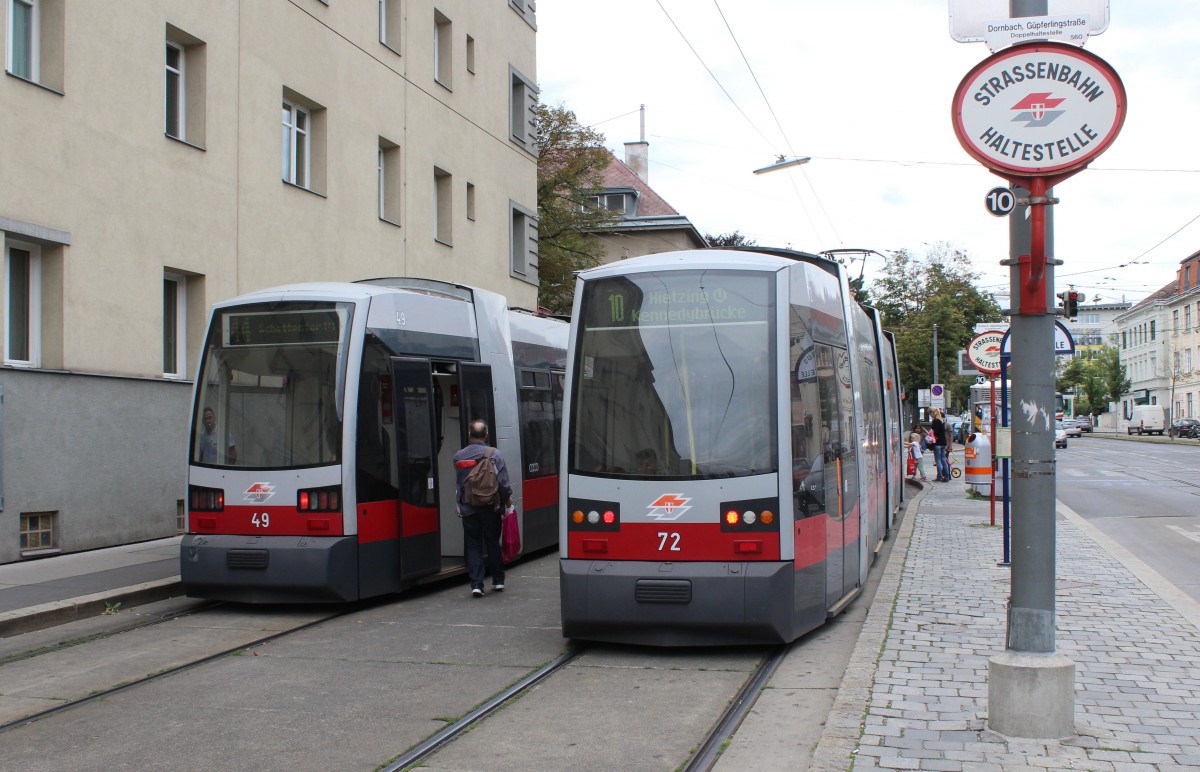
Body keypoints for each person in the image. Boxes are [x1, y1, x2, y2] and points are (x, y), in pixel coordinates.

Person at [453, 419, 513, 598]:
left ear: (469, 435)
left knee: (473, 545)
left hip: (468, 508)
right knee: (493, 543)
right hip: (491, 508)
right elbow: (502, 483)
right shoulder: (495, 454)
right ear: (486, 434)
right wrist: (507, 500)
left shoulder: (458, 456)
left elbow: (461, 483)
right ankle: (498, 580)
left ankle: (476, 585)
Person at [931, 408, 951, 482]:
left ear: (933, 413)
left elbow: (935, 432)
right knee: (943, 459)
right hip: (943, 442)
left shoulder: (935, 421)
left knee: (938, 460)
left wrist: (931, 435)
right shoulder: (941, 421)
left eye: (930, 413)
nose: (930, 415)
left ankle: (939, 476)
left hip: (938, 442)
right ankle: (947, 476)